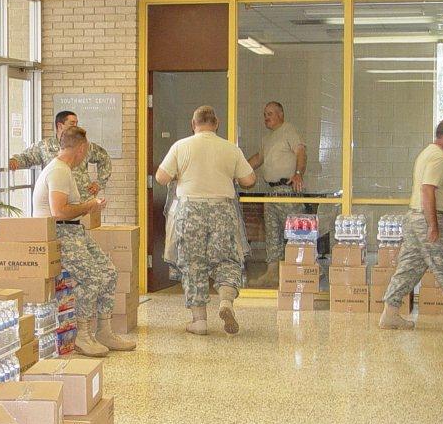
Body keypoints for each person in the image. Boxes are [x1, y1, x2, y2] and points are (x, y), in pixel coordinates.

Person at [32, 126, 135, 357]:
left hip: (74, 231)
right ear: (80, 149)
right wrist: (90, 206)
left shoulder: (64, 169)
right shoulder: (58, 171)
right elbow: (59, 211)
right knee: (92, 279)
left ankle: (104, 330)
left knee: (108, 272)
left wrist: (90, 206)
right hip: (60, 233)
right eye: (86, 151)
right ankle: (82, 335)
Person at [156, 106, 257, 335]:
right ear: (217, 123)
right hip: (222, 209)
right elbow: (249, 179)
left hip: (189, 211)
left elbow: (161, 178)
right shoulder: (230, 148)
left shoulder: (180, 146)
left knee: (193, 264)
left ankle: (199, 321)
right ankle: (225, 302)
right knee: (227, 260)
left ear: (193, 124)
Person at [379, 119, 443, 330]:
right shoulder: (437, 157)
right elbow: (427, 190)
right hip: (426, 219)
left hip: (414, 218)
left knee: (409, 268)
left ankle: (389, 314)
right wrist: (433, 225)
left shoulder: (428, 153)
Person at [245, 102, 307, 287]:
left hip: (286, 189)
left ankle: (300, 273)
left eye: (270, 113)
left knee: (295, 233)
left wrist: (298, 174)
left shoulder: (288, 130)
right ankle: (272, 273)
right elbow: (258, 159)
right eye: (264, 114)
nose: (266, 117)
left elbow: (301, 151)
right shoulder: (268, 138)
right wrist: (238, 171)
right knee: (272, 234)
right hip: (271, 192)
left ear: (281, 114)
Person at [9, 110, 112, 201]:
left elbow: (104, 157)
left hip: (82, 199)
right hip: (56, 201)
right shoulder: (45, 146)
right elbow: (26, 157)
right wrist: (15, 161)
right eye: (72, 123)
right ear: (60, 125)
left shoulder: (84, 145)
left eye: (77, 123)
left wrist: (99, 183)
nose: (76, 126)